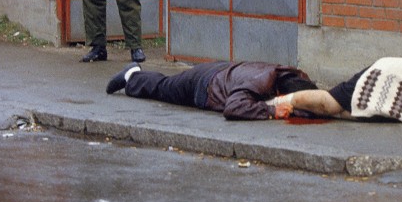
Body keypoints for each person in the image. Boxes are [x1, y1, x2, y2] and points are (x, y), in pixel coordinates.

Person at [105, 60, 319, 120]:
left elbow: (310, 100)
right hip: (203, 84)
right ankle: (131, 75)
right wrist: (271, 111)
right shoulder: (260, 84)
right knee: (163, 87)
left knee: (167, 84)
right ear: (282, 95)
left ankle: (134, 75)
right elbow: (233, 108)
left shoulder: (293, 76)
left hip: (222, 70)